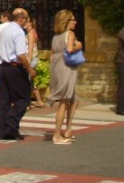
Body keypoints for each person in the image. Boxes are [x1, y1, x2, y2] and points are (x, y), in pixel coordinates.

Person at [0, 8, 34, 140]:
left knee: (5, 100)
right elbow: (21, 54)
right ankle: (11, 123)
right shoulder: (18, 32)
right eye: (26, 19)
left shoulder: (4, 30)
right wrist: (29, 69)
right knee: (23, 99)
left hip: (3, 66)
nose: (27, 22)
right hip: (14, 67)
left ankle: (4, 130)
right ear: (21, 19)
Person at [48, 9, 82, 145]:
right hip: (66, 67)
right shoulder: (70, 34)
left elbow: (52, 55)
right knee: (64, 101)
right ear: (66, 21)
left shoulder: (56, 37)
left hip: (57, 67)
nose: (75, 22)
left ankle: (67, 130)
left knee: (74, 99)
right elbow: (69, 50)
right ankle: (57, 135)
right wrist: (78, 45)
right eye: (72, 20)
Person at [25, 16, 45, 108]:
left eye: (27, 21)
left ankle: (27, 102)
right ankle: (39, 101)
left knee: (27, 81)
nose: (25, 23)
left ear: (31, 23)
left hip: (32, 59)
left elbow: (31, 47)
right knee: (30, 81)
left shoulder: (31, 33)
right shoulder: (30, 32)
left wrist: (28, 61)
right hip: (32, 59)